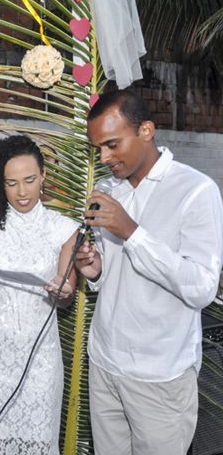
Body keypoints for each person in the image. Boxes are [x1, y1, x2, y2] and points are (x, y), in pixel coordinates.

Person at [75, 88, 223, 455]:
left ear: (146, 131)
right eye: (98, 149)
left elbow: (202, 288)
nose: (105, 158)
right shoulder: (110, 191)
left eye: (112, 144)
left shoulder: (196, 191)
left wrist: (133, 233)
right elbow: (114, 276)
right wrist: (95, 270)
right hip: (105, 363)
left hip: (160, 376)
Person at [0, 135, 78, 454]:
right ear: (0, 184)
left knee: (38, 441)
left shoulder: (64, 229)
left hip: (40, 357)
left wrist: (64, 290)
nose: (22, 191)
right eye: (11, 183)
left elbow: (66, 295)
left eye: (29, 180)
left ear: (43, 176)